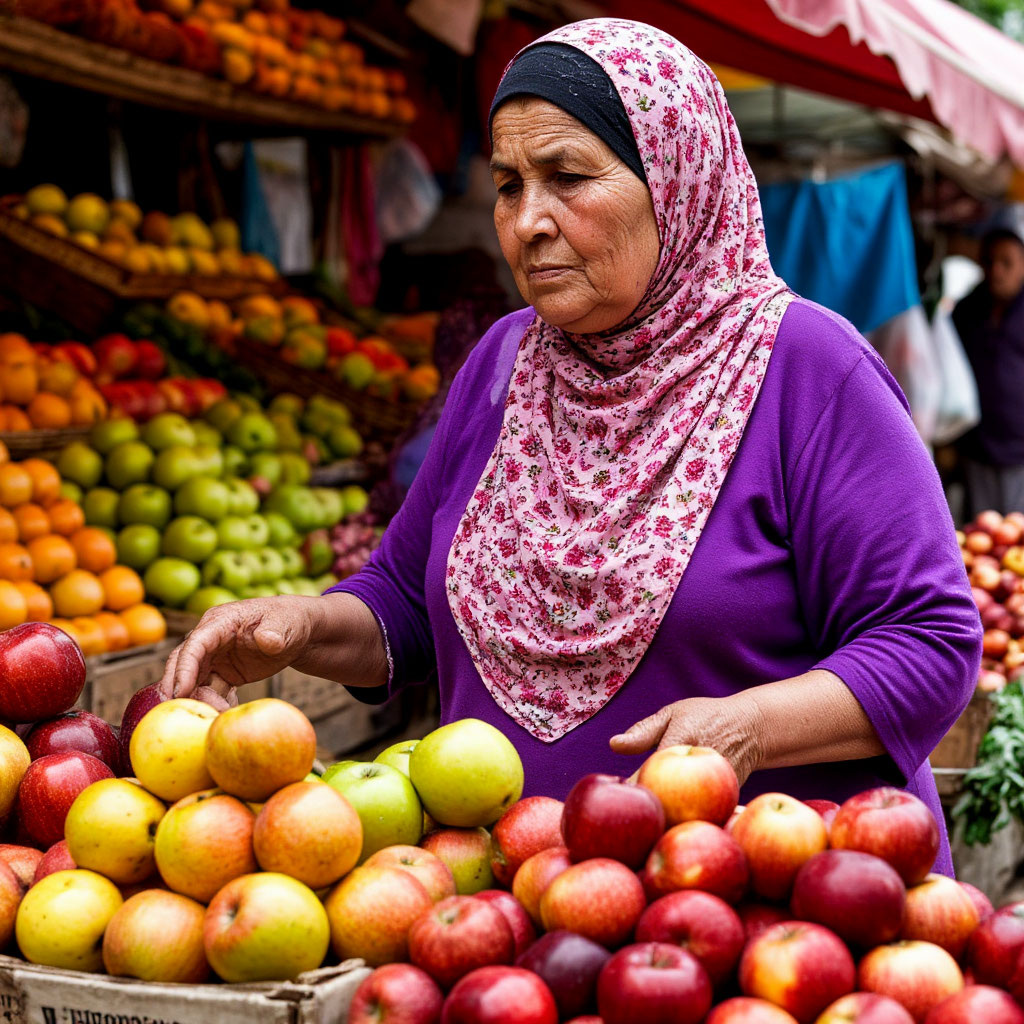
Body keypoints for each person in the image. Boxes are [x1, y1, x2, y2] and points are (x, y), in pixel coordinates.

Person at [163, 18, 981, 874]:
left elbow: (928, 642)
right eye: (509, 185)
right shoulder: (505, 364)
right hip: (515, 916)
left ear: (677, 181)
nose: (528, 222)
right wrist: (299, 627)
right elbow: (405, 602)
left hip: (764, 921)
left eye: (567, 178)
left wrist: (746, 728)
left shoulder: (811, 370)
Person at [953, 214, 1024, 516]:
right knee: (984, 531)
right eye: (990, 262)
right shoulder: (966, 310)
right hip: (976, 445)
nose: (997, 271)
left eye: (1006, 263)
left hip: (1021, 448)